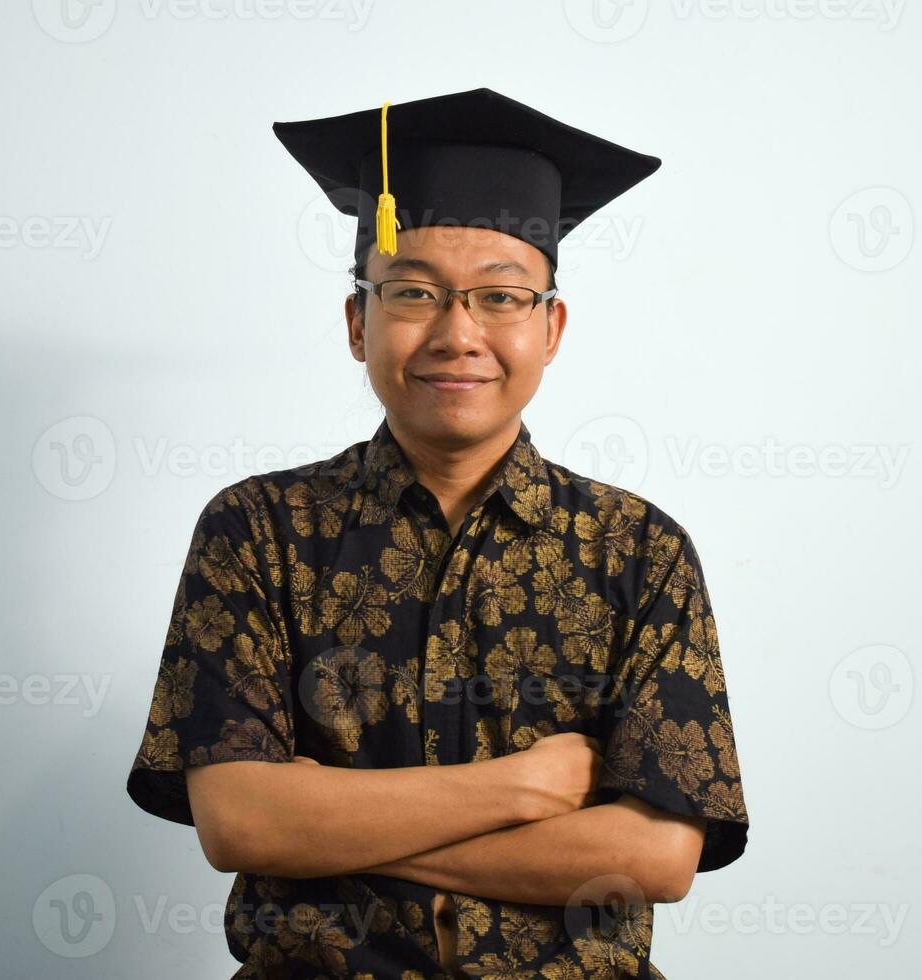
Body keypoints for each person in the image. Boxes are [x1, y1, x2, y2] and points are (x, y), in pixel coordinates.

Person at [125, 86, 750, 979]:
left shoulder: (639, 552)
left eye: (501, 297)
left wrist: (328, 829)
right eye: (413, 291)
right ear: (357, 323)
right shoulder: (257, 532)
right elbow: (240, 824)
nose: (459, 334)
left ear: (552, 327)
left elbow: (654, 859)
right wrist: (519, 789)